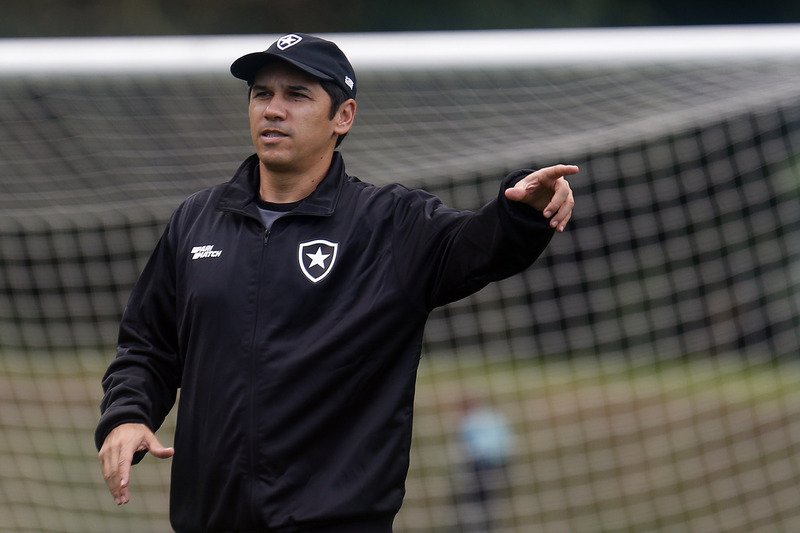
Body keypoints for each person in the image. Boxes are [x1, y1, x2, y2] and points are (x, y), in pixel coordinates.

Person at [96, 32, 576, 532]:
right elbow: (148, 345)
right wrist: (128, 414)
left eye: (297, 95)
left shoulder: (388, 224)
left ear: (342, 116)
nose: (273, 109)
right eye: (262, 94)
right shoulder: (196, 220)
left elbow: (477, 245)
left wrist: (519, 210)